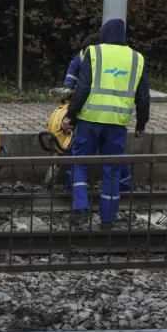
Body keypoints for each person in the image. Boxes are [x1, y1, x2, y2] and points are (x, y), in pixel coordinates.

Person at [62, 19, 150, 230]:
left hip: (89, 121)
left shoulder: (94, 53)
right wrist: (141, 124)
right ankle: (108, 220)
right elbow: (143, 97)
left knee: (80, 165)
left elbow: (81, 90)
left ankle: (80, 212)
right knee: (112, 169)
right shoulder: (137, 58)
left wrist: (70, 116)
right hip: (118, 124)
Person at [64, 32, 133, 193]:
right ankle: (123, 188)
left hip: (89, 114)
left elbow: (83, 89)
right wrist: (68, 87)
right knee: (114, 157)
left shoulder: (96, 57)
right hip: (114, 117)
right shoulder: (83, 56)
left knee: (79, 157)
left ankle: (75, 193)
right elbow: (72, 73)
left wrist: (70, 114)